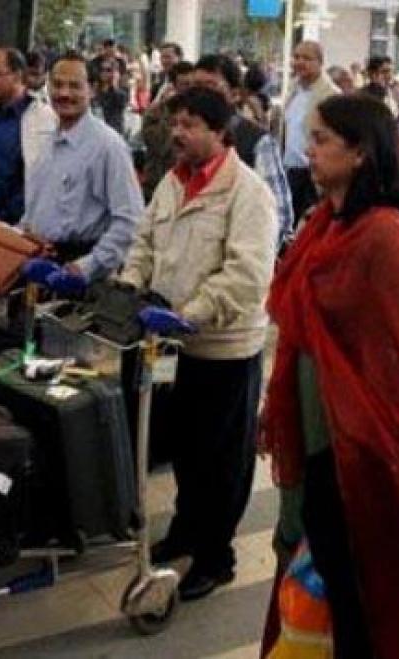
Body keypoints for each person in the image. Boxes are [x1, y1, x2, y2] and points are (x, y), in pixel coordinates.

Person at [258, 92, 399, 659]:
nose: (308, 151)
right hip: (320, 436)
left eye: (321, 140)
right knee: (327, 579)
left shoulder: (385, 234)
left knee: (360, 595)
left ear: (359, 153)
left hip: (363, 448)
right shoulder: (324, 224)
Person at [121, 86, 276, 602]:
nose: (178, 134)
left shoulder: (247, 192)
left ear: (218, 132)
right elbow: (144, 242)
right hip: (173, 347)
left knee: (222, 460)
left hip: (223, 349)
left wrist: (187, 314)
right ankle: (187, 533)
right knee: (187, 451)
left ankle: (217, 556)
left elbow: (247, 276)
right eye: (174, 123)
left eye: (189, 124)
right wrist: (129, 286)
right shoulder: (171, 181)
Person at [19, 54, 142, 283]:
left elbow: (130, 221)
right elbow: (35, 210)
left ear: (93, 89)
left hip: (78, 274)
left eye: (75, 86)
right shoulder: (47, 143)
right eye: (57, 85)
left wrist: (86, 267)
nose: (64, 94)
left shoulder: (108, 146)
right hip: (37, 264)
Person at [192, 54, 294, 250]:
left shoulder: (256, 140)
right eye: (196, 86)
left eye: (211, 86)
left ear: (235, 94)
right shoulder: (187, 140)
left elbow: (278, 215)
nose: (201, 94)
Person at [0, 48, 56, 224]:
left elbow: (37, 182)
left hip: (12, 225)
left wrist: (4, 219)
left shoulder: (42, 119)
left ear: (17, 75)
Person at [282, 41, 339, 221]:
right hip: (289, 169)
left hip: (314, 173)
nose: (300, 62)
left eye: (306, 58)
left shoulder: (331, 96)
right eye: (296, 57)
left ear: (320, 62)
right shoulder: (293, 89)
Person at [138, 61, 194, 200]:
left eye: (192, 84)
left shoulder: (201, 114)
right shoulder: (156, 113)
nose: (190, 89)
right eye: (184, 84)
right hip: (158, 184)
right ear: (174, 86)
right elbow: (160, 145)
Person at [91, 55, 128, 135]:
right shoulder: (95, 91)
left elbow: (121, 103)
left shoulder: (120, 93)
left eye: (108, 70)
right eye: (102, 70)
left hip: (113, 132)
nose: (104, 73)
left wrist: (114, 83)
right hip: (96, 131)